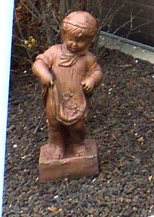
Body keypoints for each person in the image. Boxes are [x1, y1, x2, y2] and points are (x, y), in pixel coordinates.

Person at [32, 11, 104, 161]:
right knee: (54, 124)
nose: (74, 44)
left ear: (89, 41)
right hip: (55, 96)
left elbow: (97, 72)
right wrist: (44, 74)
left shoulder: (87, 59)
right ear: (64, 35)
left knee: (77, 125)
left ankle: (78, 143)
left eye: (80, 41)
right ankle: (57, 145)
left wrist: (91, 80)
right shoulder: (54, 52)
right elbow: (39, 63)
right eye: (70, 39)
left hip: (75, 100)